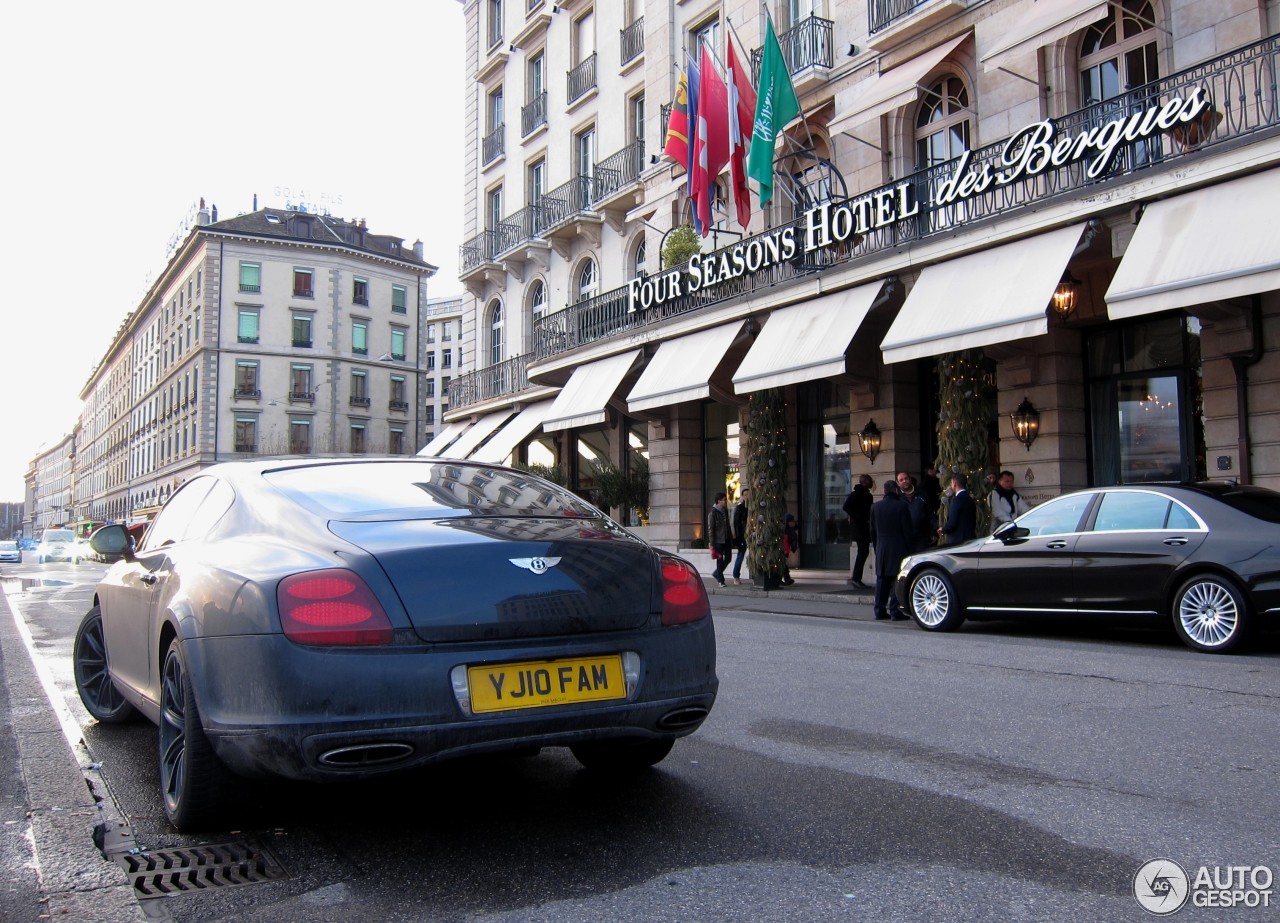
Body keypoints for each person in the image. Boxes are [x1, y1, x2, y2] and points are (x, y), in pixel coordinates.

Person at [869, 480, 914, 620]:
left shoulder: (875, 507)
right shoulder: (902, 506)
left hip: (882, 547)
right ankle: (895, 611)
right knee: (897, 580)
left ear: (884, 491)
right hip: (898, 547)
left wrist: (877, 547)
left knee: (881, 580)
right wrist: (910, 549)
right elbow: (907, 531)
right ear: (896, 490)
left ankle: (879, 610)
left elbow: (872, 531)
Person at [842, 474, 873, 588]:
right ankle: (856, 578)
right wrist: (857, 516)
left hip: (864, 526)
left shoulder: (868, 495)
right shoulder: (856, 494)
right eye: (869, 481)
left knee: (863, 552)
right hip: (859, 527)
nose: (872, 483)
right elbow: (846, 506)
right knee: (863, 551)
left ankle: (857, 578)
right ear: (864, 482)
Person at [896, 471, 932, 552]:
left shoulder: (921, 494)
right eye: (901, 480)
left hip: (921, 537)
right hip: (903, 538)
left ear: (910, 480)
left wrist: (932, 531)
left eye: (906, 478)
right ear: (898, 483)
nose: (904, 481)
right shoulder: (897, 498)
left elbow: (929, 513)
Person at [939, 472, 977, 545]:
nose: (951, 485)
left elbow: (952, 523)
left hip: (957, 541)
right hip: (970, 539)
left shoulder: (957, 500)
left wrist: (943, 529)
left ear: (955, 483)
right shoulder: (970, 499)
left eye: (951, 483)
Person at [707, 492, 731, 587]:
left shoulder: (725, 511)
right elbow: (711, 529)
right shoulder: (712, 513)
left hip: (726, 539)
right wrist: (712, 543)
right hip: (718, 540)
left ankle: (717, 573)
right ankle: (721, 580)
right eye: (724, 500)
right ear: (719, 501)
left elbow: (727, 526)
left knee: (728, 558)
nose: (726, 502)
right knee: (720, 560)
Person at [730, 489, 749, 585]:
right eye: (745, 494)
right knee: (740, 556)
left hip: (752, 535)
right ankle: (736, 576)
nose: (747, 496)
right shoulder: (739, 508)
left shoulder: (753, 508)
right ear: (742, 496)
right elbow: (736, 523)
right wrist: (737, 537)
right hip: (742, 536)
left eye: (749, 494)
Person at [781, 512, 799, 586]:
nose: (793, 523)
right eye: (791, 521)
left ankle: (786, 578)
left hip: (786, 550)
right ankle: (786, 578)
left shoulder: (790, 530)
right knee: (783, 565)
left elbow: (793, 540)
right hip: (784, 550)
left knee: (784, 565)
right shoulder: (786, 531)